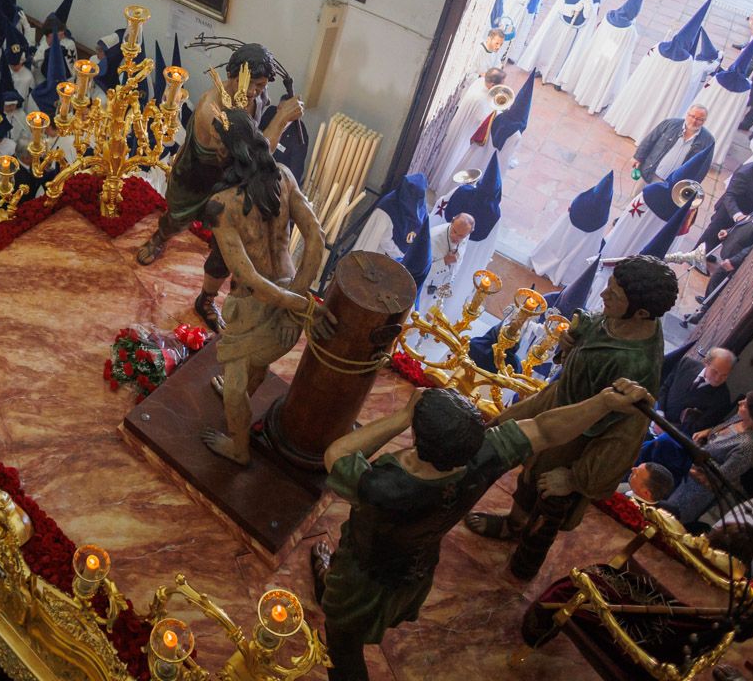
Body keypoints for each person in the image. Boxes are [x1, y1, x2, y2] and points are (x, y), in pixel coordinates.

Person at [310, 379, 654, 681]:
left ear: (417, 436)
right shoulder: (484, 454)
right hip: (415, 570)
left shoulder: (384, 487)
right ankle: (333, 587)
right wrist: (604, 402)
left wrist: (401, 415)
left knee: (342, 643)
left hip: (362, 578)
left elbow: (337, 453)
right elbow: (547, 430)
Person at [465, 256, 674, 579]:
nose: (604, 296)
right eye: (609, 287)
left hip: (581, 436)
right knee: (508, 445)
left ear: (642, 313)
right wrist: (572, 341)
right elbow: (597, 330)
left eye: (614, 296)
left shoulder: (637, 369)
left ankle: (524, 555)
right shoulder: (625, 319)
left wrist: (576, 477)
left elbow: (623, 436)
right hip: (559, 399)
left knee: (547, 495)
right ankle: (513, 522)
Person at [133, 44, 304, 335]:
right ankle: (161, 237)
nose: (257, 93)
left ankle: (206, 299)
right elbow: (253, 152)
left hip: (230, 186)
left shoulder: (258, 95)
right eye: (254, 85)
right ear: (233, 76)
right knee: (177, 218)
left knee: (225, 250)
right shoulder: (212, 109)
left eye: (262, 86)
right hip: (197, 178)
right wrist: (281, 120)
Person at [199, 110, 334, 465]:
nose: (212, 150)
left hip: (257, 308)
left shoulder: (221, 205)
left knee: (232, 387)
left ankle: (238, 448)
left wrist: (294, 305)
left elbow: (253, 281)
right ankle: (246, 392)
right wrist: (299, 299)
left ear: (227, 152)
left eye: (216, 145)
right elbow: (317, 239)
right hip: (290, 301)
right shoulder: (284, 176)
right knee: (250, 368)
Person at [660, 390, 753, 527]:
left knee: (667, 518)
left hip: (698, 487)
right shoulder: (740, 418)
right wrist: (708, 432)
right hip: (691, 463)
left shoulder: (748, 445)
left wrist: (692, 462)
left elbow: (721, 476)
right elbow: (719, 432)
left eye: (744, 405)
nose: (740, 402)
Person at [631, 107, 713, 184]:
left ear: (704, 121)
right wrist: (638, 157)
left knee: (658, 199)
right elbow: (650, 139)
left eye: (699, 119)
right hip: (650, 172)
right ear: (687, 114)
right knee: (636, 198)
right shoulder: (670, 123)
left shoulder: (708, 140)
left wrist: (690, 186)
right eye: (692, 116)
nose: (694, 121)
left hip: (672, 184)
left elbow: (703, 167)